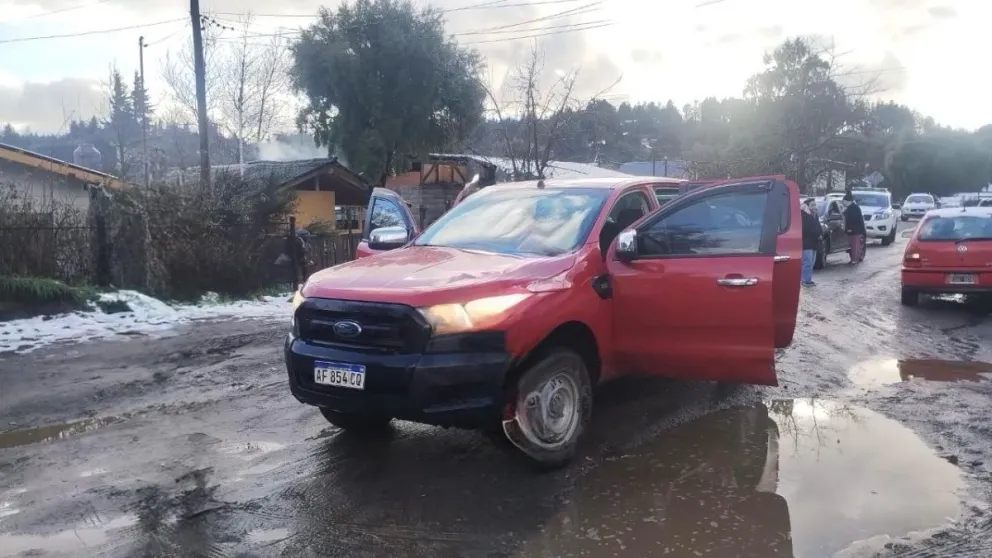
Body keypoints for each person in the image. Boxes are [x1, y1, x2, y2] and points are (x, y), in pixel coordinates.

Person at [801, 198, 821, 286]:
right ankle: (805, 280)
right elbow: (808, 229)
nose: (814, 207)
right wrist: (817, 233)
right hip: (806, 243)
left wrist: (820, 233)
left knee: (811, 262)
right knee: (807, 262)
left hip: (814, 243)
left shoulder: (814, 215)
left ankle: (808, 279)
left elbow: (818, 227)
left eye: (815, 205)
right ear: (807, 207)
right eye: (812, 205)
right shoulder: (804, 216)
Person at [842, 192, 866, 264]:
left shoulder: (854, 208)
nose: (843, 203)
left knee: (855, 245)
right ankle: (853, 258)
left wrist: (850, 229)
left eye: (844, 201)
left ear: (847, 201)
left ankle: (855, 259)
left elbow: (853, 220)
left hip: (855, 231)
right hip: (853, 230)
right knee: (852, 246)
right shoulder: (851, 208)